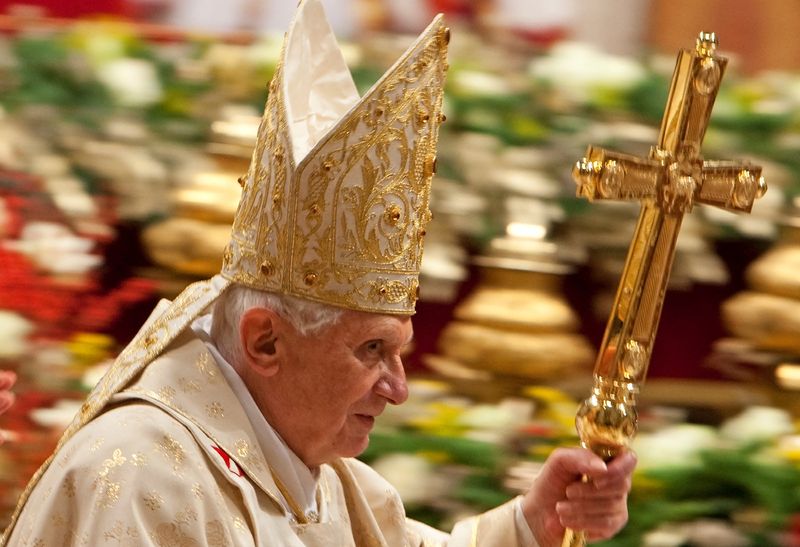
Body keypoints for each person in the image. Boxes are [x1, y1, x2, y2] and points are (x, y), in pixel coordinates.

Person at [2, 1, 635, 545]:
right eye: (372, 350)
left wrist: (530, 524)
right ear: (265, 342)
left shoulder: (315, 472)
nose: (398, 388)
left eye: (397, 352)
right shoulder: (144, 477)